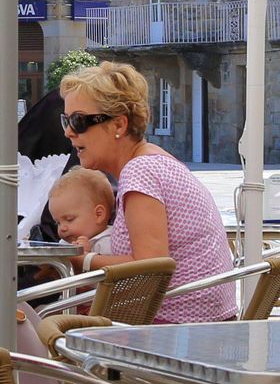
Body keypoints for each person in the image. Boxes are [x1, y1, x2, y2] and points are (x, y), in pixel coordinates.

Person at [59, 60, 237, 323]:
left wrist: (83, 261)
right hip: (203, 327)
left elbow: (150, 268)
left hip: (171, 336)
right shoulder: (158, 161)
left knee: (5, 313)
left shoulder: (140, 172)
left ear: (118, 125)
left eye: (78, 121)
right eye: (65, 120)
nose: (69, 132)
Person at [47, 167, 115, 254]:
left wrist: (86, 255)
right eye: (58, 223)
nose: (62, 228)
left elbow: (112, 267)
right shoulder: (66, 243)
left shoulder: (107, 243)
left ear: (98, 214)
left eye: (69, 219)